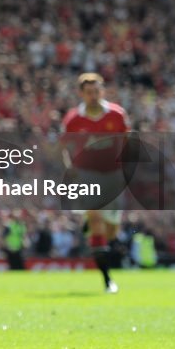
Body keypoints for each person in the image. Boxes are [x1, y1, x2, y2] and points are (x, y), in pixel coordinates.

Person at [61, 72, 131, 293]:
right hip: (87, 175)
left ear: (102, 91)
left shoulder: (117, 115)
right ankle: (107, 279)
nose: (93, 95)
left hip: (113, 175)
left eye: (96, 91)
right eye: (89, 92)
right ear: (81, 94)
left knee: (111, 231)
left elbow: (127, 141)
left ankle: (91, 226)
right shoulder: (73, 119)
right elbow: (64, 147)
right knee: (96, 219)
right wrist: (70, 168)